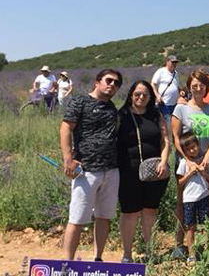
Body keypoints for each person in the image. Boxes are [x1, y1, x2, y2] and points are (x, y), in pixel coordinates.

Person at [60, 69, 123, 261]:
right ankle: (66, 263)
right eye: (109, 80)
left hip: (111, 170)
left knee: (104, 217)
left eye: (116, 83)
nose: (112, 85)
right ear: (97, 82)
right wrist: (68, 158)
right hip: (87, 170)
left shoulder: (112, 107)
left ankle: (98, 258)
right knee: (77, 218)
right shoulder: (80, 101)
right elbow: (65, 128)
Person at [117, 81, 170, 263]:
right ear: (131, 95)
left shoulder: (156, 115)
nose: (141, 97)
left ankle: (150, 252)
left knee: (150, 211)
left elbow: (165, 140)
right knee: (130, 213)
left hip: (154, 171)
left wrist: (164, 161)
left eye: (145, 94)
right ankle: (127, 254)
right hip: (128, 171)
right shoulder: (121, 115)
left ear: (151, 97)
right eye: (137, 94)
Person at [171, 70, 209, 259]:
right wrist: (189, 160)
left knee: (208, 202)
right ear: (189, 87)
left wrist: (207, 156)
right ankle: (179, 244)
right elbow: (176, 138)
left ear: (206, 87)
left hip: (208, 161)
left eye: (202, 84)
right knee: (184, 202)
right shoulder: (181, 109)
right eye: (194, 85)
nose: (198, 88)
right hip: (186, 162)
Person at [176, 132, 209, 262]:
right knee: (190, 227)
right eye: (188, 149)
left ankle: (205, 253)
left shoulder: (205, 161)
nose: (192, 150)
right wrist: (189, 173)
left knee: (205, 226)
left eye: (194, 147)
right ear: (184, 151)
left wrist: (204, 173)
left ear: (198, 145)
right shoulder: (183, 163)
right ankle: (191, 255)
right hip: (189, 200)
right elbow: (180, 183)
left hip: (203, 197)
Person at [151, 55, 181, 122]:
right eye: (172, 62)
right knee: (166, 122)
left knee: (174, 122)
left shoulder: (176, 73)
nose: (174, 64)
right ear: (167, 62)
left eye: (175, 62)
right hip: (164, 103)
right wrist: (157, 96)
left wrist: (180, 92)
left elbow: (176, 85)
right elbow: (153, 84)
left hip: (174, 104)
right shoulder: (161, 71)